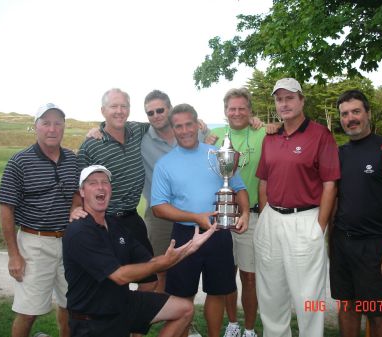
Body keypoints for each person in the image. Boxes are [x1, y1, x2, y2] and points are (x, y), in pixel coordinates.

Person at [63, 165, 217, 337]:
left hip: (123, 305)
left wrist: (189, 248)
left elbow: (150, 262)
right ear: (82, 192)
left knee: (184, 309)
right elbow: (119, 276)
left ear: (110, 189)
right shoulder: (79, 231)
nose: (100, 187)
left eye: (105, 182)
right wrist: (162, 263)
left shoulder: (115, 225)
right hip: (92, 320)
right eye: (92, 183)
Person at [151, 103, 250, 337]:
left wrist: (244, 213)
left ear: (197, 124)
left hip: (219, 233)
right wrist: (195, 217)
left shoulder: (217, 155)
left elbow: (239, 188)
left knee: (217, 293)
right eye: (178, 126)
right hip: (185, 236)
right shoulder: (165, 164)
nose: (184, 130)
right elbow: (158, 208)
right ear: (173, 129)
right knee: (182, 297)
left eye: (188, 124)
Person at [255, 78, 340, 337]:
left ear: (302, 100)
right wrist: (264, 217)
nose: (284, 103)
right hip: (271, 219)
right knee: (271, 295)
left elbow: (330, 185)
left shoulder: (320, 135)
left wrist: (319, 227)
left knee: (308, 298)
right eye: (279, 99)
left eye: (290, 97)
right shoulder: (270, 137)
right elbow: (264, 181)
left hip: (305, 219)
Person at [330, 90, 382, 337]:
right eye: (345, 114)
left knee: (377, 314)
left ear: (368, 113)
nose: (350, 118)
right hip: (342, 246)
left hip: (376, 248)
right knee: (347, 308)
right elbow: (335, 199)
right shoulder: (341, 154)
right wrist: (331, 244)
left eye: (356, 111)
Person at [0, 103, 79, 337]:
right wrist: (14, 254)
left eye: (57, 123)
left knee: (70, 306)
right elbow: (6, 209)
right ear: (36, 127)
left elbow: (76, 192)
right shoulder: (19, 162)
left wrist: (75, 208)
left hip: (69, 243)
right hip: (34, 243)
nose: (52, 129)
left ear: (63, 127)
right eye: (46, 123)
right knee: (28, 312)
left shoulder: (72, 160)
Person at [74, 88, 157, 291]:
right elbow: (78, 185)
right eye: (114, 106)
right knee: (113, 285)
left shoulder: (137, 130)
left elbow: (162, 122)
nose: (119, 111)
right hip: (104, 222)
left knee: (150, 279)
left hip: (131, 218)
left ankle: (134, 322)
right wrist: (75, 208)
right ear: (103, 110)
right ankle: (117, 321)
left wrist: (198, 123)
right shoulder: (91, 145)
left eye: (124, 106)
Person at [207, 88, 265, 337]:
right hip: (220, 215)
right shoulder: (213, 136)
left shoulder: (263, 132)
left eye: (242, 108)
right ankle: (232, 324)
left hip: (250, 215)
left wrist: (268, 124)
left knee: (249, 277)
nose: (237, 112)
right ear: (225, 111)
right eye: (232, 108)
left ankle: (250, 329)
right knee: (225, 275)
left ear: (251, 111)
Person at [141, 89, 209, 295]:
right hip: (160, 215)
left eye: (160, 110)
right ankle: (162, 316)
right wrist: (97, 129)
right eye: (150, 113)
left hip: (192, 214)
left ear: (169, 109)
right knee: (161, 267)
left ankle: (181, 318)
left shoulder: (198, 132)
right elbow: (115, 126)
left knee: (187, 269)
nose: (155, 116)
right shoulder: (142, 139)